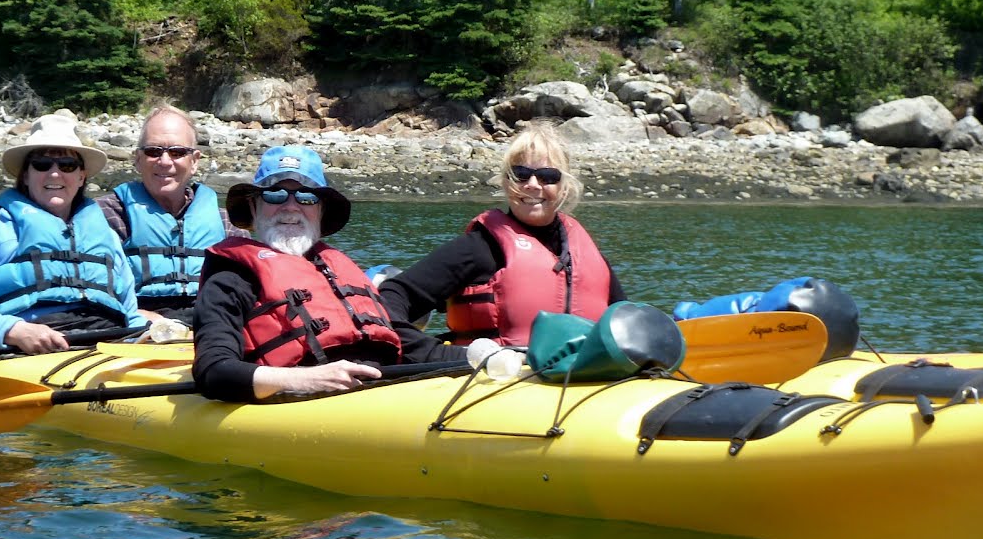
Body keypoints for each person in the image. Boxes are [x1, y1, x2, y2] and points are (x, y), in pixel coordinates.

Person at [378, 122, 624, 362]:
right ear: (506, 183)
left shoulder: (590, 257)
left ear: (564, 188)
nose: (532, 185)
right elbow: (392, 296)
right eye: (521, 175)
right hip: (495, 380)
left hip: (582, 383)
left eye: (548, 176)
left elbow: (626, 325)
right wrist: (432, 353)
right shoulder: (479, 248)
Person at [193, 145, 402, 402]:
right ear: (253, 206)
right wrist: (309, 379)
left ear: (321, 209)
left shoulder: (333, 268)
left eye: (307, 197)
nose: (291, 207)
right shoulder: (230, 278)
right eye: (275, 195)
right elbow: (213, 372)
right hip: (304, 402)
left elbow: (410, 344)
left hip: (386, 389)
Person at [0, 113, 142, 354]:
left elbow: (131, 315)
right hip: (27, 350)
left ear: (81, 177)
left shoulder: (107, 237)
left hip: (106, 344)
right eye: (42, 164)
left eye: (67, 165)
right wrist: (15, 330)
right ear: (26, 176)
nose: (55, 173)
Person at [95, 105, 234, 325]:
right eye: (153, 151)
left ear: (195, 161)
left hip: (210, 326)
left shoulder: (227, 223)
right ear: (138, 159)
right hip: (136, 326)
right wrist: (139, 317)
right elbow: (91, 288)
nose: (165, 161)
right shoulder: (107, 215)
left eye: (177, 152)